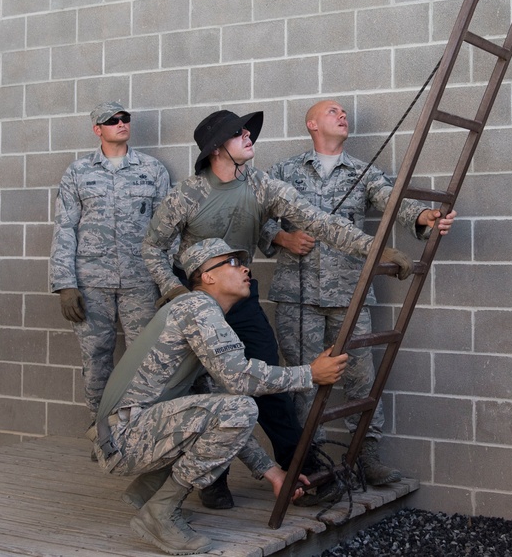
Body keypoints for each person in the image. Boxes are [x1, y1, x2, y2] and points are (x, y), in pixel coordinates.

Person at [141, 108, 412, 509]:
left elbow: (319, 222)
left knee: (267, 383)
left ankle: (297, 468)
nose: (250, 136)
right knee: (204, 388)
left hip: (241, 299)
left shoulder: (262, 185)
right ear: (218, 149)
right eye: (239, 133)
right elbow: (151, 247)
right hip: (196, 304)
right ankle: (211, 477)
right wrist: (173, 289)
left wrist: (376, 251)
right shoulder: (187, 195)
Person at [93, 238, 350, 555]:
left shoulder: (194, 312)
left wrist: (272, 473)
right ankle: (160, 513)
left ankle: (151, 493)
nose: (245, 269)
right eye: (231, 263)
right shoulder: (198, 308)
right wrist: (309, 373)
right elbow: (240, 380)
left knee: (227, 410)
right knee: (240, 408)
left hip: (122, 436)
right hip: (126, 437)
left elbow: (217, 410)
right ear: (207, 277)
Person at [263, 99, 455, 485]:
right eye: (332, 112)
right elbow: (251, 217)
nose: (343, 115)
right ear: (312, 124)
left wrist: (424, 216)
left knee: (360, 382)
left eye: (344, 111)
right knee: (304, 381)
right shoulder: (283, 171)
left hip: (349, 295)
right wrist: (281, 236)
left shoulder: (364, 172)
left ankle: (365, 455)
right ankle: (308, 461)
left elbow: (393, 201)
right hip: (297, 298)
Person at [49, 101, 171, 426]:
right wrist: (65, 284)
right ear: (97, 129)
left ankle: (138, 433)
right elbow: (64, 228)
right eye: (112, 120)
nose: (120, 123)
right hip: (90, 285)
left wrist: (168, 282)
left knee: (144, 360)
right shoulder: (77, 172)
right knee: (95, 360)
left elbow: (166, 230)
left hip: (141, 283)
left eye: (124, 118)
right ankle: (101, 432)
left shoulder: (153, 170)